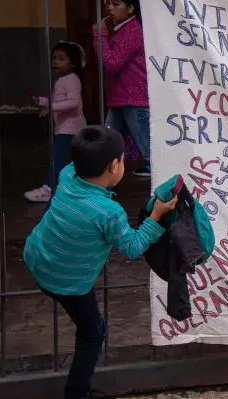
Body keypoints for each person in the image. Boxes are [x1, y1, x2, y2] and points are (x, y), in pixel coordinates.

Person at [23, 126, 178, 399]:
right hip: (67, 281)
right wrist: (156, 216)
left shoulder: (67, 175)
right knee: (93, 332)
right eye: (122, 159)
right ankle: (77, 392)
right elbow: (132, 247)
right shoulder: (108, 212)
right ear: (114, 166)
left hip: (37, 256)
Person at [92, 0, 151, 178]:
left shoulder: (132, 31)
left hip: (133, 98)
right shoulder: (122, 29)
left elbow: (112, 63)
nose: (110, 7)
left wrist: (99, 36)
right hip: (121, 98)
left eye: (116, 4)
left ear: (131, 8)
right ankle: (104, 176)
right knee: (108, 145)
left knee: (149, 148)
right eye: (108, 3)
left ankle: (160, 177)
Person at [24, 42, 88, 203]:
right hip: (65, 127)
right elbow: (62, 101)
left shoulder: (71, 80)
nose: (56, 62)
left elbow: (73, 102)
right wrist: (44, 102)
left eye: (61, 59)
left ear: (73, 62)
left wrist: (51, 107)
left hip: (70, 128)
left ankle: (48, 188)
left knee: (58, 158)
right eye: (54, 58)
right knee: (69, 158)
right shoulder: (65, 79)